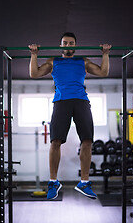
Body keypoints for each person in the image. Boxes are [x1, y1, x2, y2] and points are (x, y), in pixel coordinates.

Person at [28, 32, 111, 200]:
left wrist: (106, 54)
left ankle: (84, 182)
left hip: (81, 101)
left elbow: (103, 73)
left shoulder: (84, 61)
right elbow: (34, 74)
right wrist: (34, 55)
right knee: (55, 142)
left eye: (71, 43)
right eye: (65, 43)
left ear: (75, 45)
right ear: (61, 46)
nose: (68, 46)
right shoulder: (53, 61)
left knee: (87, 141)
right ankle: (53, 182)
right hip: (61, 102)